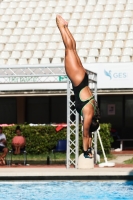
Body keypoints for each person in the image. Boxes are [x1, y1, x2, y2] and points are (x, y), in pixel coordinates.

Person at [56, 15, 100, 158]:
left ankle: (66, 27)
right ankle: (61, 26)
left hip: (83, 78)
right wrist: (86, 151)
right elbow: (86, 135)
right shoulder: (87, 114)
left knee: (73, 49)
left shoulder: (93, 111)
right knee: (69, 49)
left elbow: (89, 136)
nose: (84, 124)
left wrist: (91, 147)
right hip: (78, 80)